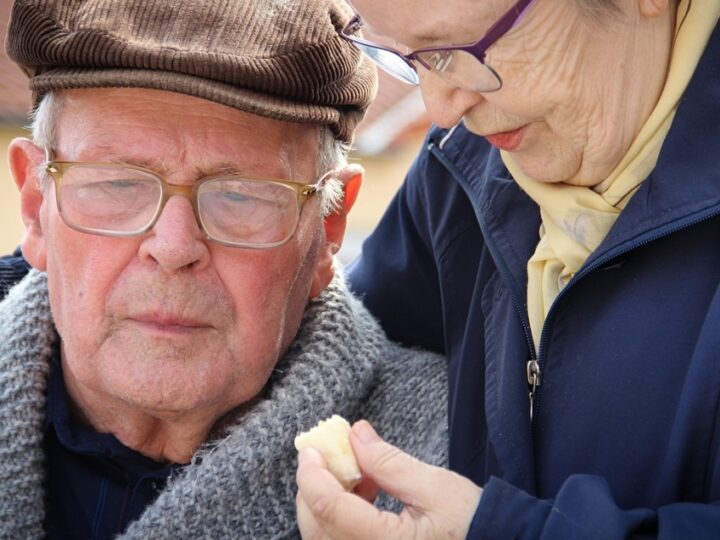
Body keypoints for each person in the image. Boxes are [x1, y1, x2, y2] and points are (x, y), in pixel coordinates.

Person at [0, 0, 449, 538]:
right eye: (117, 183)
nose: (172, 247)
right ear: (35, 205)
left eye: (240, 196)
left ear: (329, 227)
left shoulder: (448, 462)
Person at [296, 0, 720, 538]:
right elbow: (345, 351)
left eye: (462, 50)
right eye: (409, 58)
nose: (441, 108)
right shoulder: (456, 173)